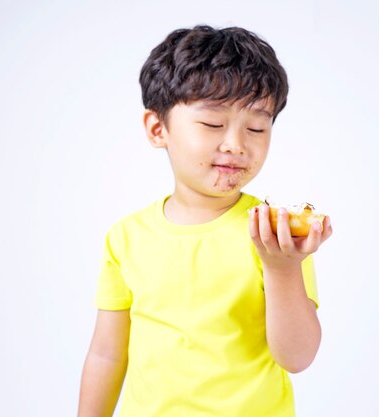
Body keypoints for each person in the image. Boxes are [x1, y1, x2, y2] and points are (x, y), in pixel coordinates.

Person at [77, 24, 333, 417]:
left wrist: (283, 269)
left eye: (256, 127)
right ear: (158, 128)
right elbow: (107, 355)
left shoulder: (275, 235)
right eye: (213, 124)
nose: (236, 144)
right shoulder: (125, 238)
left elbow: (296, 358)